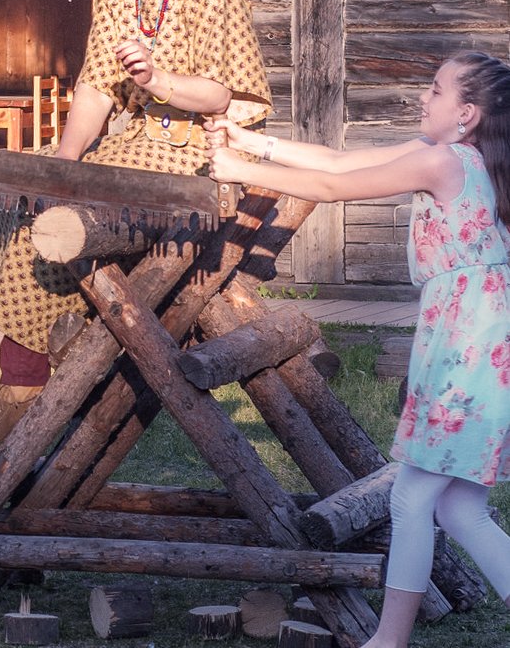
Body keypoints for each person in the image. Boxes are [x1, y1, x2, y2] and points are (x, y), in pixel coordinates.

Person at [0, 0, 272, 446]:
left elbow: (221, 91)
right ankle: (34, 369)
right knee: (12, 196)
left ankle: (26, 386)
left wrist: (155, 80)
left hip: (200, 155)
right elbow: (95, 87)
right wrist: (59, 165)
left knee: (49, 225)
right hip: (137, 145)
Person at [206, 50, 510, 648]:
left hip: (468, 348)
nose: (424, 97)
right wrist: (252, 145)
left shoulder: (446, 162)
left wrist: (238, 172)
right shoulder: (461, 159)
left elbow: (331, 185)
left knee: (413, 495)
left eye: (437, 89)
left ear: (466, 114)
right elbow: (336, 159)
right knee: (459, 510)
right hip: (474, 338)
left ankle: (387, 643)